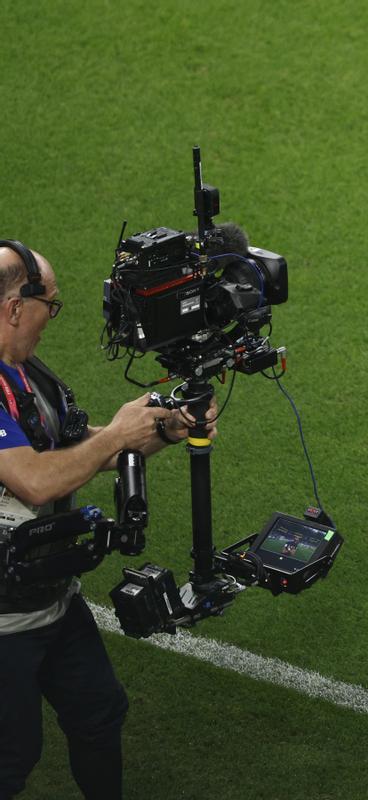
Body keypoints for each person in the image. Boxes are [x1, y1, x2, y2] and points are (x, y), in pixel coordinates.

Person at [0, 241, 213, 799]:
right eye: (51, 303)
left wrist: (162, 429)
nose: (52, 317)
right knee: (10, 759)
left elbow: (78, 449)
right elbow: (36, 479)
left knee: (98, 714)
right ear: (15, 307)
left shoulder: (25, 372)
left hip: (51, 600)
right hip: (1, 625)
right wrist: (117, 435)